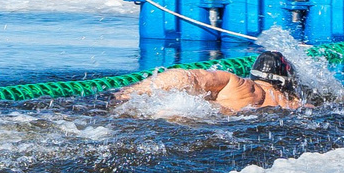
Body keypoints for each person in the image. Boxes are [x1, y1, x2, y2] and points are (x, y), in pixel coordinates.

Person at [124, 49, 304, 115]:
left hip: (196, 119)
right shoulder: (295, 105)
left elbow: (184, 78)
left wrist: (126, 93)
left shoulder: (239, 84)